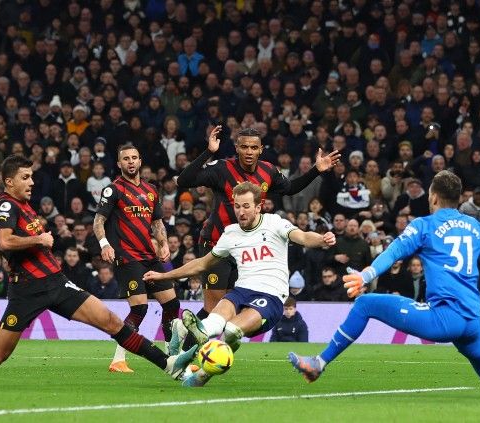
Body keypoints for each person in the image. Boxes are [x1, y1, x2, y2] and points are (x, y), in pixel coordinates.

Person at [0, 156, 197, 386]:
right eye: (25, 177)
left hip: (58, 284)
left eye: (31, 176)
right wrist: (39, 239)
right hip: (27, 291)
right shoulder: (10, 205)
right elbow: (3, 240)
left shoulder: (10, 202)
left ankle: (168, 365)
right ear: (10, 181)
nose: (32, 181)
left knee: (111, 322)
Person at [288, 171, 480, 396]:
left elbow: (393, 252)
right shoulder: (476, 228)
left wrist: (366, 275)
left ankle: (319, 363)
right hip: (472, 320)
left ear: (434, 197)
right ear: (458, 199)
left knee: (365, 303)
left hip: (443, 318)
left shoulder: (424, 225)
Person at [144, 182, 336, 387]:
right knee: (212, 324)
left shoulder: (274, 223)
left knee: (232, 331)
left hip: (270, 297)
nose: (241, 211)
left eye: (246, 206)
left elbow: (303, 237)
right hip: (241, 291)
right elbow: (201, 264)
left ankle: (194, 358)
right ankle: (183, 358)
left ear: (258, 207)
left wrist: (322, 240)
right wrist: (164, 276)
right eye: (237, 206)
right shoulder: (231, 233)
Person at [175, 126, 340, 337]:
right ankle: (186, 353)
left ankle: (182, 333)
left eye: (254, 147)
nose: (249, 151)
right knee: (213, 308)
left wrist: (316, 170)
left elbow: (290, 188)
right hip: (217, 243)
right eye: (244, 147)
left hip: (245, 247)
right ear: (237, 148)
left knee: (233, 309)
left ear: (261, 149)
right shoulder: (222, 168)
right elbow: (183, 181)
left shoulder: (268, 171)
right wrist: (209, 152)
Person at [94, 145, 181, 373]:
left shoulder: (151, 190)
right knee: (139, 308)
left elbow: (157, 223)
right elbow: (98, 221)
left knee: (172, 304)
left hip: (149, 257)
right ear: (119, 164)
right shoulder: (113, 190)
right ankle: (118, 360)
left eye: (134, 158)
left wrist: (163, 244)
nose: (131, 162)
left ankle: (172, 354)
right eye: (126, 159)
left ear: (140, 161)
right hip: (127, 257)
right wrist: (105, 244)